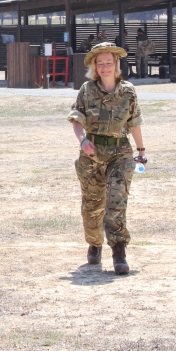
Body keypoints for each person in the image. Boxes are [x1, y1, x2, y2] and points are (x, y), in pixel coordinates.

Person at [68, 42, 146, 275]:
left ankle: (119, 251)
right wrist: (83, 141)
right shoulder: (86, 90)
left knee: (116, 201)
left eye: (108, 63)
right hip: (92, 155)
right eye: (100, 63)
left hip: (120, 153)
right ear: (94, 66)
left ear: (116, 65)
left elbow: (134, 123)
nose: (104, 67)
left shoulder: (128, 91)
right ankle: (94, 243)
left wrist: (141, 152)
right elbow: (76, 120)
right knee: (92, 207)